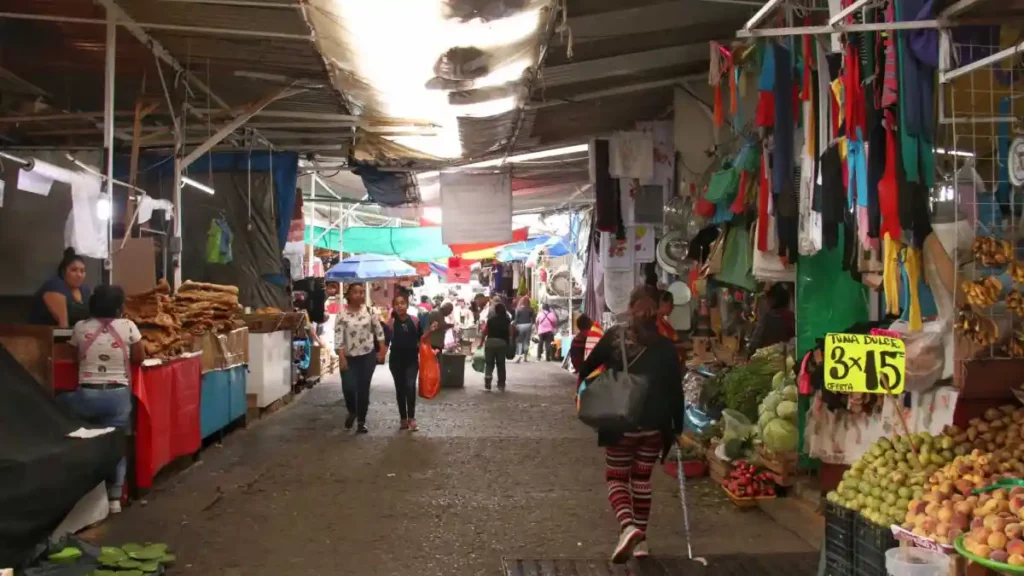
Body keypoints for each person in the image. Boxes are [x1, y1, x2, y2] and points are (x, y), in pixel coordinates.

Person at [579, 286, 684, 563]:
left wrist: (595, 387)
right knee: (641, 480)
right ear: (657, 310)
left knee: (616, 477)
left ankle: (627, 526)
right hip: (654, 426)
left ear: (630, 306)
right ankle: (641, 543)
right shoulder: (665, 346)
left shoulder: (615, 338)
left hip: (620, 421)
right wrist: (678, 428)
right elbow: (676, 390)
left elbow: (586, 366)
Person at [60, 284, 144, 514]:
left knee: (83, 438)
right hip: (117, 396)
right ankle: (115, 498)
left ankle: (84, 495)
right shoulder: (128, 327)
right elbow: (139, 357)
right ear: (118, 307)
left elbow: (74, 357)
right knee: (116, 444)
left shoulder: (80, 328)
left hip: (87, 395)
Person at [335, 283, 387, 434]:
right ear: (349, 295)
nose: (360, 295)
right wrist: (342, 357)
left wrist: (381, 351)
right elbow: (338, 337)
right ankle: (352, 411)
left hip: (367, 357)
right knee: (349, 388)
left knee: (363, 389)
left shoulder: (369, 311)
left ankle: (361, 421)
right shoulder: (341, 314)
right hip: (349, 358)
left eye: (362, 292)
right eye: (356, 292)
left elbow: (379, 332)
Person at [30, 248, 92, 327]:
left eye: (82, 271)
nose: (79, 275)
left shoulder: (85, 290)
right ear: (63, 272)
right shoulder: (55, 287)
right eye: (73, 270)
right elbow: (63, 326)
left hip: (77, 335)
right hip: (45, 336)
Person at [387, 293, 420, 431]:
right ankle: (403, 419)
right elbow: (385, 340)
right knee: (400, 389)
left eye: (402, 303)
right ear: (393, 307)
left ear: (407, 304)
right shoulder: (391, 322)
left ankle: (412, 418)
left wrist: (430, 330)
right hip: (396, 360)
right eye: (397, 304)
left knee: (410, 387)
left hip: (412, 360)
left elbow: (421, 339)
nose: (400, 306)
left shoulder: (415, 320)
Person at [745, 283, 795, 357]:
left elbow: (755, 342)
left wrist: (750, 353)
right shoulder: (791, 316)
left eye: (768, 299)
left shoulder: (767, 318)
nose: (767, 302)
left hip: (770, 358)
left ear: (773, 300)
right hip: (787, 357)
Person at [478, 302, 514, 391]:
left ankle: (488, 380)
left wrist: (481, 343)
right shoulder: (507, 321)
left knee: (489, 363)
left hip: (490, 343)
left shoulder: (490, 320)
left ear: (496, 311)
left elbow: (484, 332)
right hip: (502, 344)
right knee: (501, 364)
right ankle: (501, 384)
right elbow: (511, 334)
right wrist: (510, 343)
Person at [512, 296, 535, 363]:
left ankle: (519, 354)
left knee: (519, 341)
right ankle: (525, 357)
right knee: (526, 341)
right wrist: (532, 325)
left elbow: (516, 319)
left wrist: (514, 324)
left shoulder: (518, 309)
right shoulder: (531, 309)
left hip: (520, 326)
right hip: (528, 325)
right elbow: (533, 319)